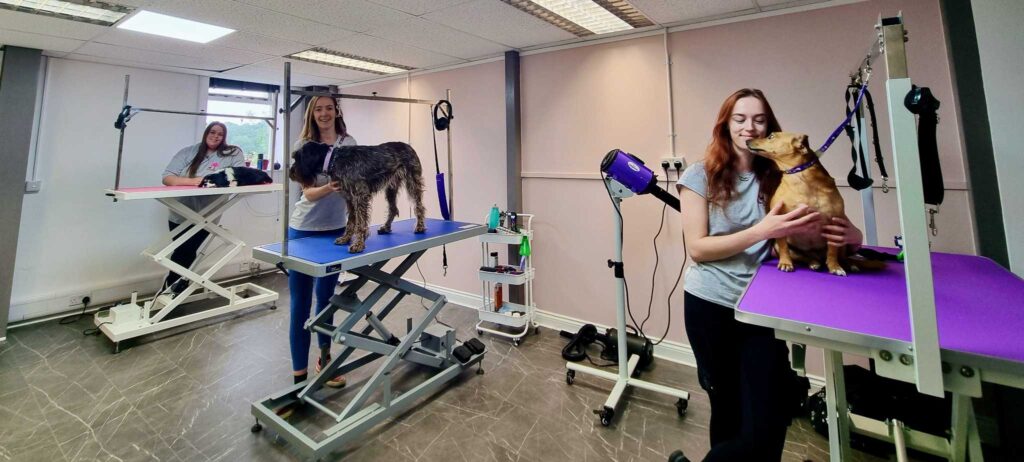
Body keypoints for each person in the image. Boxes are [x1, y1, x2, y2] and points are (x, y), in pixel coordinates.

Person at [670, 89, 863, 462]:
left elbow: (830, 217)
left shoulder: (781, 173)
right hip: (711, 305)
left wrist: (854, 237)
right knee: (726, 409)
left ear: (769, 127)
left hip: (763, 308)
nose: (749, 127)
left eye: (758, 119)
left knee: (769, 419)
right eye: (739, 119)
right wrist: (763, 231)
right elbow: (698, 248)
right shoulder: (700, 175)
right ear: (725, 125)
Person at [286, 95, 357, 390]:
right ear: (311, 114)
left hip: (336, 230)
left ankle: (325, 361)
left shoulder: (348, 143)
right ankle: (298, 379)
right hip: (303, 230)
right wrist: (330, 186)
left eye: (329, 108)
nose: (324, 113)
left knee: (326, 302)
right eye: (319, 109)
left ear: (336, 111)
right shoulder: (303, 147)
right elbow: (308, 193)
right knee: (300, 304)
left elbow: (356, 185)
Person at [161, 121, 244, 295]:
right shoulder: (188, 152)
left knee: (188, 250)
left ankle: (172, 289)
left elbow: (237, 176)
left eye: (220, 134)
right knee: (180, 249)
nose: (215, 136)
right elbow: (168, 177)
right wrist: (197, 181)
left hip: (208, 213)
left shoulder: (232, 153)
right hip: (180, 210)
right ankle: (174, 289)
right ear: (206, 133)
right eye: (212, 132)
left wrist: (208, 181)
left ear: (224, 137)